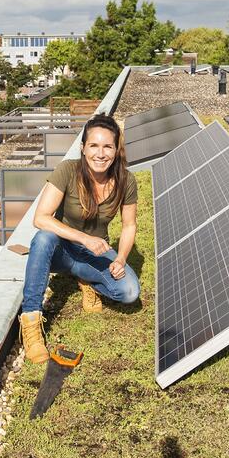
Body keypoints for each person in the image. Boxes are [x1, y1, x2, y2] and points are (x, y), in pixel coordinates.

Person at [19, 113, 140, 362]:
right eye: (94, 145)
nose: (100, 153)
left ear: (116, 150)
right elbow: (41, 218)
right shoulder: (67, 170)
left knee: (128, 292)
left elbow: (129, 226)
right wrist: (84, 239)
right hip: (60, 251)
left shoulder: (126, 180)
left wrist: (121, 259)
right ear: (83, 148)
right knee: (43, 238)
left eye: (108, 146)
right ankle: (31, 321)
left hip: (94, 253)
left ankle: (86, 279)